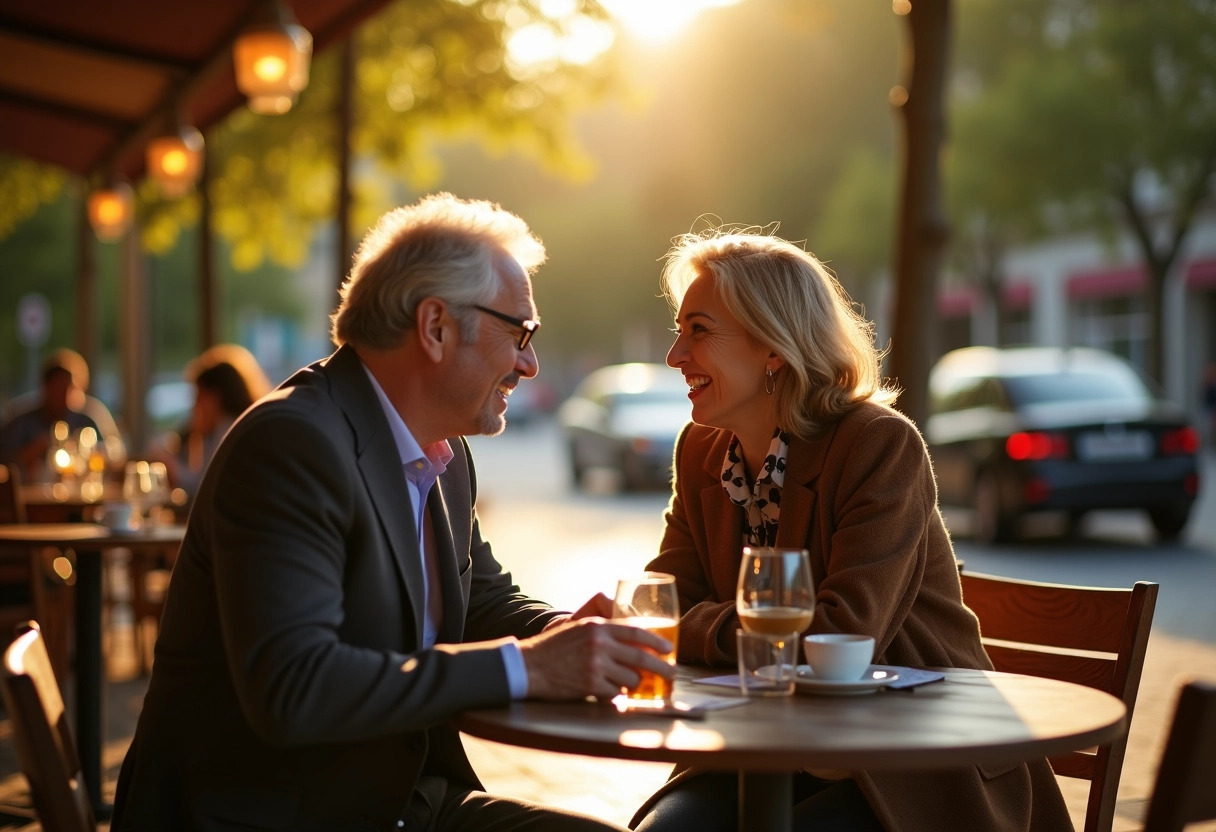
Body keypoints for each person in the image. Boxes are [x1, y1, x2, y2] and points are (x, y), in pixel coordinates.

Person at [111, 193, 672, 832]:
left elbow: (482, 601)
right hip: (269, 814)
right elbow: (295, 688)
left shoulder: (444, 451)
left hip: (400, 802)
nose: (530, 362)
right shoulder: (292, 443)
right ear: (434, 327)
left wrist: (572, 633)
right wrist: (532, 666)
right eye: (520, 331)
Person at [630, 228, 1073, 832]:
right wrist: (714, 627)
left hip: (910, 762)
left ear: (774, 347)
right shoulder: (699, 450)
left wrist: (700, 625)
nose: (675, 354)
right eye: (678, 330)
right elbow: (658, 607)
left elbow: (838, 635)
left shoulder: (878, 445)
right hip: (758, 747)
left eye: (698, 331)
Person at [151, 343, 272, 503]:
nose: (195, 405)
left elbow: (203, 486)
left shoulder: (230, 430)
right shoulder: (221, 430)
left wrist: (171, 467)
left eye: (199, 396)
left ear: (215, 397)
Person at [1, 347, 127, 473]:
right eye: (58, 389)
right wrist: (33, 451)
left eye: (69, 388)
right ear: (45, 388)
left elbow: (115, 457)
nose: (64, 396)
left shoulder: (90, 418)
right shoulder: (22, 422)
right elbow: (5, 463)